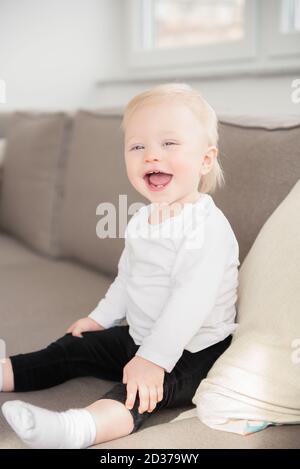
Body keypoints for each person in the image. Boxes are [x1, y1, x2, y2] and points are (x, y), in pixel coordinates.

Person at [0, 83, 240, 448]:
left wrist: (153, 360)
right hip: (141, 335)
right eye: (138, 146)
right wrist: (100, 319)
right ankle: (8, 372)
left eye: (169, 144)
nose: (151, 156)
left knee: (136, 391)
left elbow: (189, 304)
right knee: (75, 346)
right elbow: (128, 279)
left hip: (194, 351)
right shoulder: (143, 219)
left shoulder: (207, 229)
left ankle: (77, 428)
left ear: (205, 160)